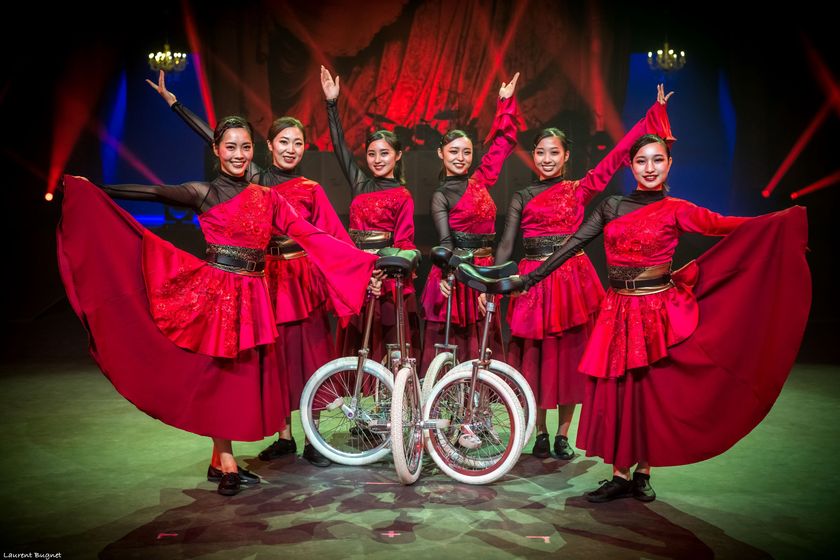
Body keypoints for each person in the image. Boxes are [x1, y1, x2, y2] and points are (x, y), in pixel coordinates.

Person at [57, 116, 376, 496]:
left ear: (253, 151)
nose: (239, 154)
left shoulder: (268, 197)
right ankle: (227, 465)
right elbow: (154, 192)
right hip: (219, 293)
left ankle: (219, 460)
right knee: (220, 379)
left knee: (239, 381)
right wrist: (97, 187)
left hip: (255, 294)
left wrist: (361, 263)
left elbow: (311, 234)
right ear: (216, 150)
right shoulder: (203, 192)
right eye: (231, 147)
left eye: (245, 147)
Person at [515, 133, 810, 503]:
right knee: (621, 392)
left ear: (669, 164)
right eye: (641, 161)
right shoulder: (611, 206)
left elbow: (724, 225)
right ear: (631, 165)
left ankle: (643, 473)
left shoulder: (676, 209)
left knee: (649, 393)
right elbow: (572, 244)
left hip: (657, 309)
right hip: (618, 308)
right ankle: (619, 475)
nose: (649, 168)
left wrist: (782, 223)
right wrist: (529, 279)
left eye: (657, 160)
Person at [146, 71, 348, 467]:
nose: (290, 149)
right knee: (277, 360)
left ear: (305, 148)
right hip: (265, 280)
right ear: (269, 146)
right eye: (283, 142)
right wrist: (176, 105)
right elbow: (216, 138)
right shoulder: (258, 180)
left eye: (298, 143)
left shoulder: (311, 188)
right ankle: (284, 436)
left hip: (300, 280)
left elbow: (329, 236)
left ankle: (315, 437)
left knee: (311, 356)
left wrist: (330, 105)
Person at [495, 85, 672, 461]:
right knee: (536, 359)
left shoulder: (579, 189)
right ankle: (539, 432)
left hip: (570, 282)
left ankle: (563, 434)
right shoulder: (522, 196)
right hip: (534, 280)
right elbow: (507, 243)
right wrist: (493, 279)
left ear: (566, 156)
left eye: (553, 153)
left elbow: (620, 154)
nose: (546, 159)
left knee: (567, 359)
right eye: (540, 152)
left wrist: (651, 116)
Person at [419, 72, 521, 373]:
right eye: (453, 152)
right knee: (454, 349)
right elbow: (446, 242)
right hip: (457, 273)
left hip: (484, 271)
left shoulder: (482, 179)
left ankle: (480, 401)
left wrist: (504, 103)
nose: (460, 157)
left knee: (483, 349)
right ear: (441, 153)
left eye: (466, 152)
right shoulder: (441, 195)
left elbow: (504, 142)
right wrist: (449, 275)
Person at [320, 66, 419, 362]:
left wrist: (381, 273)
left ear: (397, 156)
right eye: (372, 153)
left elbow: (403, 242)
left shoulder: (403, 195)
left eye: (384, 153)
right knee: (355, 345)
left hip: (385, 276)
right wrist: (331, 104)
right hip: (357, 273)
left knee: (383, 345)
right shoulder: (360, 184)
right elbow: (339, 147)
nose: (377, 159)